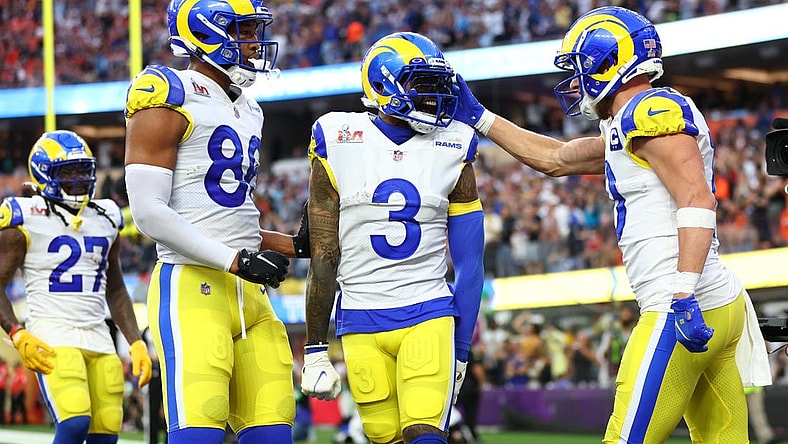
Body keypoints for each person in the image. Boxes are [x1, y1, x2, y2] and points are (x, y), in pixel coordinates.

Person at [452, 6, 771, 443]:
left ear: (608, 64)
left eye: (580, 68)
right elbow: (556, 159)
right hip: (710, 299)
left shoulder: (652, 111)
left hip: (678, 303)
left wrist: (682, 293)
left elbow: (697, 198)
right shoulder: (629, 120)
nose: (575, 81)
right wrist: (482, 119)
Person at [123, 0, 308, 443]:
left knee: (272, 433)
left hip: (250, 296)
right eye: (244, 31)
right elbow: (149, 212)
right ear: (206, 33)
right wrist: (235, 261)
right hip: (191, 288)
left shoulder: (250, 108)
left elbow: (224, 218)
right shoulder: (166, 89)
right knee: (198, 435)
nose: (254, 42)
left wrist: (293, 246)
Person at [299, 31, 485, 444]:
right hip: (360, 319)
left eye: (436, 85)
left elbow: (471, 263)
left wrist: (461, 348)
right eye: (422, 85)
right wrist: (314, 348)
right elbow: (324, 252)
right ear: (384, 86)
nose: (434, 97)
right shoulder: (338, 136)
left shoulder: (454, 144)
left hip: (427, 312)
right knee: (384, 438)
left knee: (426, 435)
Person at [0, 130, 153, 443]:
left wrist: (135, 341)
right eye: (68, 171)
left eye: (84, 169)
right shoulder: (24, 217)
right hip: (53, 332)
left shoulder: (106, 216)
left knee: (108, 429)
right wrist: (16, 332)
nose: (79, 178)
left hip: (99, 334)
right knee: (74, 422)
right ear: (44, 174)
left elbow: (116, 287)